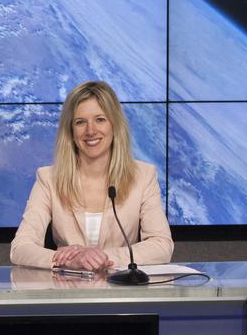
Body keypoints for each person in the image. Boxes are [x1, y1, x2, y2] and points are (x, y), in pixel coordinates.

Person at [10, 80, 172, 271]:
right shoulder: (48, 179)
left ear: (115, 125)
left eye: (100, 119)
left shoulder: (143, 176)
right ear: (70, 131)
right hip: (66, 292)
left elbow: (162, 245)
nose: (91, 131)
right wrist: (67, 260)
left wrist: (101, 257)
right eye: (80, 122)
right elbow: (20, 248)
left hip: (121, 293)